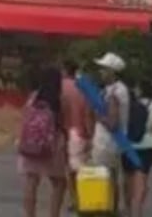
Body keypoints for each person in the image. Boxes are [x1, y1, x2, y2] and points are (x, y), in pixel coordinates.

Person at [18, 67, 68, 217]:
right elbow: (63, 122)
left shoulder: (33, 97)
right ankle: (54, 214)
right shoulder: (58, 100)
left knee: (31, 180)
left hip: (32, 144)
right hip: (52, 146)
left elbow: (24, 117)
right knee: (59, 183)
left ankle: (30, 214)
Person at [90, 51, 131, 207]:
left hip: (106, 143)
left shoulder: (114, 92)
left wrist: (98, 115)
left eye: (103, 68)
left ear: (111, 72)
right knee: (112, 179)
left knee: (104, 180)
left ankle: (106, 209)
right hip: (112, 143)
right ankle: (112, 208)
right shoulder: (118, 89)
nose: (100, 72)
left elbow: (112, 123)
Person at [123, 79, 152, 217]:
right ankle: (137, 211)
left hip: (130, 145)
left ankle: (128, 209)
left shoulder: (131, 106)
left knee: (128, 180)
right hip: (148, 145)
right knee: (141, 182)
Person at [60, 59, 94, 212]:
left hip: (66, 131)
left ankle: (75, 200)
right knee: (81, 169)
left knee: (70, 170)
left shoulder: (60, 86)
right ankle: (82, 198)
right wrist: (90, 134)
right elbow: (88, 113)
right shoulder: (83, 88)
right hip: (80, 132)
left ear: (65, 70)